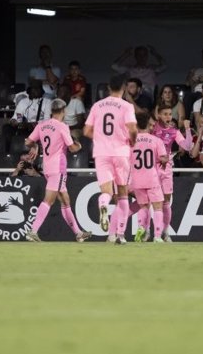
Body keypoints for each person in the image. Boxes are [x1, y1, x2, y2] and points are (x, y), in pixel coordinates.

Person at [24, 99, 92, 243]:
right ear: (63, 111)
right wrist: (79, 145)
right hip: (58, 168)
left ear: (51, 111)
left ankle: (78, 233)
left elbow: (28, 141)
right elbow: (72, 148)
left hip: (47, 167)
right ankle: (33, 231)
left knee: (65, 200)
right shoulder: (62, 127)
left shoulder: (42, 125)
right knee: (49, 200)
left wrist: (35, 146)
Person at [83, 74, 138, 244]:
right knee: (122, 194)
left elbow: (86, 132)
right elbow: (133, 129)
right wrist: (132, 142)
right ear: (123, 88)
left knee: (106, 191)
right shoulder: (127, 106)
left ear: (108, 87)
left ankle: (103, 205)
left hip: (101, 153)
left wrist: (100, 139)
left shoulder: (97, 105)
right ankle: (120, 235)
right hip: (121, 152)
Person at [150, 104, 193, 242]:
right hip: (152, 167)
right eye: (165, 114)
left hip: (167, 168)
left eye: (170, 114)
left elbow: (187, 146)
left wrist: (187, 129)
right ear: (159, 115)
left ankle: (166, 232)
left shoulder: (174, 131)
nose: (168, 117)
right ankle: (147, 230)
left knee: (166, 202)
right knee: (151, 201)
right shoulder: (152, 129)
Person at [130, 112, 169, 244]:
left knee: (143, 207)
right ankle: (157, 236)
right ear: (148, 123)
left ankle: (141, 228)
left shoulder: (131, 141)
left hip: (136, 179)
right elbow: (164, 158)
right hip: (151, 178)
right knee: (158, 207)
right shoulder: (156, 140)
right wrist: (161, 159)